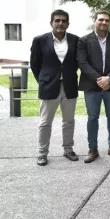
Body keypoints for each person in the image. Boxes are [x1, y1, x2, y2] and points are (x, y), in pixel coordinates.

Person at [30, 10, 80, 166]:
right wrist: (44, 80)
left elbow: (78, 62)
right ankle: (42, 153)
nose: (60, 23)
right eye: (57, 20)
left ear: (68, 24)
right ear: (51, 22)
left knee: (69, 121)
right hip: (48, 86)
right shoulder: (39, 40)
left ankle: (68, 150)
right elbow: (35, 64)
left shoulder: (75, 40)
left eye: (64, 21)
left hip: (69, 86)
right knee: (45, 122)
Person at [78, 10, 110, 163]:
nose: (104, 22)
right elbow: (82, 63)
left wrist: (109, 78)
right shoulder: (84, 41)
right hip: (92, 86)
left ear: (109, 22)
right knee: (92, 117)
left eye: (106, 20)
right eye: (101, 20)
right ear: (95, 21)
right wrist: (99, 79)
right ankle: (92, 149)